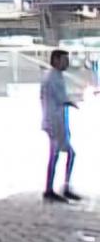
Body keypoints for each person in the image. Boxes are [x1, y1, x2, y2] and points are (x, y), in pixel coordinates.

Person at [41, 49, 81, 203]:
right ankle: (55, 188)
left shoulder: (54, 76)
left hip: (56, 121)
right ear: (56, 60)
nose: (67, 63)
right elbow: (63, 99)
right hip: (54, 123)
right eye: (65, 59)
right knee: (62, 154)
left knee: (59, 155)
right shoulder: (53, 78)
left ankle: (56, 188)